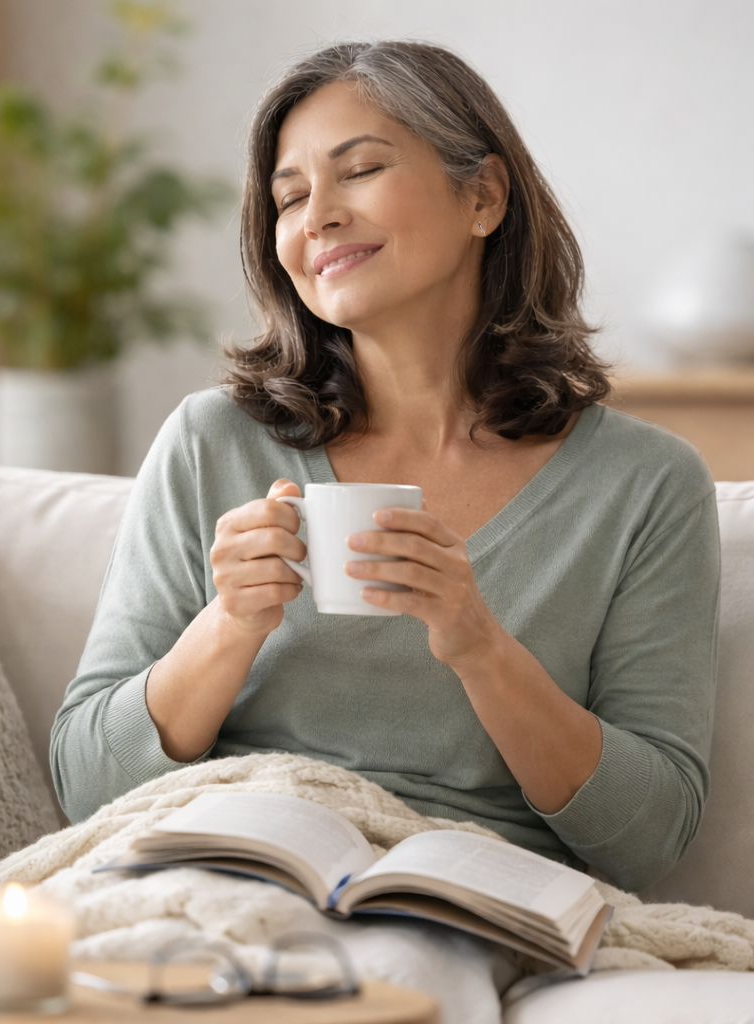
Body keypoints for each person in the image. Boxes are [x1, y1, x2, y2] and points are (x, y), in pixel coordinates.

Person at [51, 42, 718, 902]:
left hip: (464, 898)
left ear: (483, 195)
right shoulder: (211, 442)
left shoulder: (644, 484)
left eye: (358, 170)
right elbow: (84, 785)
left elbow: (650, 837)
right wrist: (228, 626)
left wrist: (479, 645)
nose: (317, 216)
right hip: (227, 864)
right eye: (289, 198)